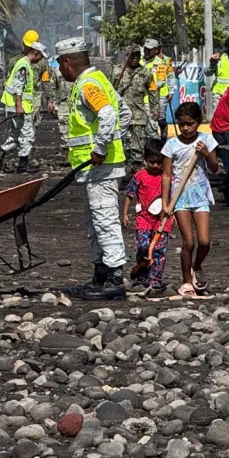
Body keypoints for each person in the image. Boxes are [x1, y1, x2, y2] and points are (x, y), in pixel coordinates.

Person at [55, 37, 131, 301]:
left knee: (105, 221)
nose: (59, 71)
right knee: (95, 223)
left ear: (67, 62)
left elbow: (110, 114)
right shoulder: (95, 81)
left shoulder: (89, 84)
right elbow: (126, 113)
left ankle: (114, 279)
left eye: (59, 64)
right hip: (92, 169)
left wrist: (101, 149)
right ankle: (100, 274)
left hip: (102, 167)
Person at [161, 102, 220, 298]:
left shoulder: (206, 140)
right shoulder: (171, 145)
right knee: (189, 243)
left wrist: (206, 153)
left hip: (200, 194)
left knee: (204, 241)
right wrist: (165, 203)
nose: (186, 128)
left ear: (199, 123)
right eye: (182, 124)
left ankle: (197, 266)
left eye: (190, 124)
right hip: (180, 197)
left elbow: (214, 167)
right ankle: (186, 281)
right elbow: (167, 175)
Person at [0, 40, 48, 174]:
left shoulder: (23, 63)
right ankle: (23, 165)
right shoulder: (23, 65)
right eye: (40, 57)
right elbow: (18, 87)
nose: (41, 60)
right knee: (28, 135)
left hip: (14, 105)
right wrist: (19, 106)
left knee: (15, 136)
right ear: (36, 53)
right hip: (19, 106)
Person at [122, 140, 169, 298]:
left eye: (159, 163)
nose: (155, 166)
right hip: (143, 219)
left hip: (162, 221)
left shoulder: (167, 176)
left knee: (158, 251)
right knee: (143, 248)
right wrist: (125, 214)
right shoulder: (140, 176)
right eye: (152, 162)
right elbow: (130, 194)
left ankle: (155, 279)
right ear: (145, 160)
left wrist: (173, 215)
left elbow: (173, 197)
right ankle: (142, 274)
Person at [113, 45, 156, 170]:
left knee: (138, 142)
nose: (135, 58)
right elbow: (110, 89)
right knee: (121, 141)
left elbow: (153, 91)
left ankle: (137, 167)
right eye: (133, 55)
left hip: (138, 113)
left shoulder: (145, 73)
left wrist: (155, 108)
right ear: (127, 56)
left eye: (138, 55)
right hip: (120, 113)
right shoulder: (116, 71)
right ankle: (122, 165)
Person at [143, 38, 176, 138]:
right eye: (145, 49)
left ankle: (163, 137)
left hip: (161, 95)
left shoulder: (164, 61)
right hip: (145, 97)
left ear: (157, 49)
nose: (147, 51)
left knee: (161, 120)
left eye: (150, 49)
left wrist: (171, 91)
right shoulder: (140, 61)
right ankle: (154, 142)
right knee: (150, 121)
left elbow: (169, 76)